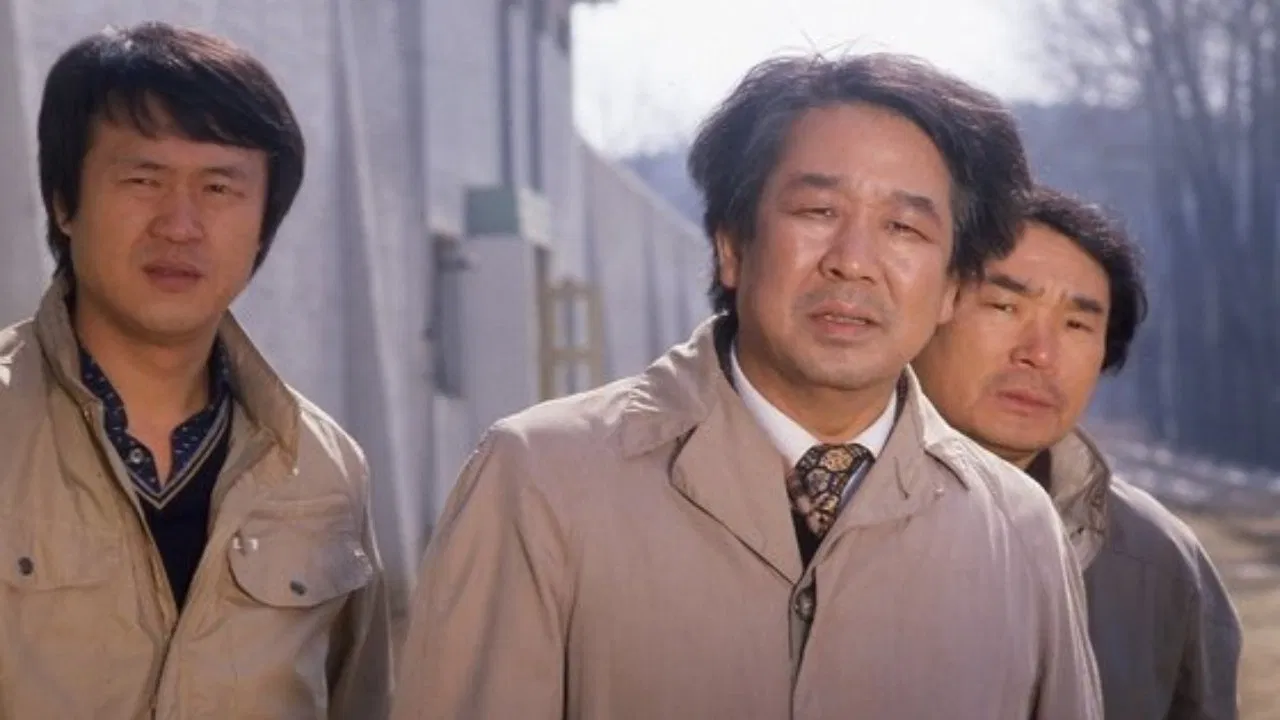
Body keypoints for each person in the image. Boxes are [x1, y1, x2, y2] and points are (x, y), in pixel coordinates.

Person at [392, 53, 1102, 719]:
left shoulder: (1019, 530)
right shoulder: (541, 477)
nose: (854, 261)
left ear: (951, 287)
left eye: (903, 228)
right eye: (818, 212)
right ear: (731, 246)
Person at [0, 22, 391, 718]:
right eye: (143, 179)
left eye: (219, 187)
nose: (179, 224)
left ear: (264, 224)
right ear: (63, 202)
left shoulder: (323, 468)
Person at [913, 186, 1242, 719]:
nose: (1040, 354)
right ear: (925, 311)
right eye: (1004, 306)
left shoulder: (1159, 563)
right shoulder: (818, 505)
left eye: (1077, 325)